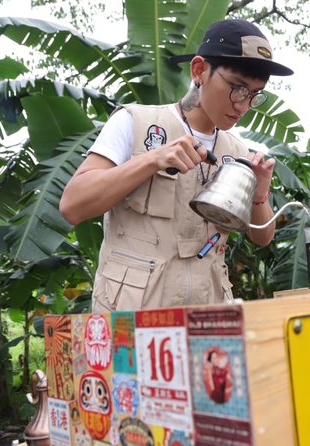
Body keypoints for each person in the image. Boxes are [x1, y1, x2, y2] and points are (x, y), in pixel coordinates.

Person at [59, 19, 293, 312]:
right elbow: (72, 205)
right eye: (237, 88)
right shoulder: (134, 123)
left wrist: (259, 194)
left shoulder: (236, 151)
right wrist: (152, 159)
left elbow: (262, 237)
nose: (243, 106)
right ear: (199, 71)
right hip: (133, 317)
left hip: (208, 317)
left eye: (254, 95)